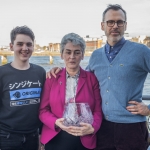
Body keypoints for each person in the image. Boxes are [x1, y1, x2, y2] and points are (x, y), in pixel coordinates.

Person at [48, 4, 150, 150]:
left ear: (125, 25)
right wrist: (59, 71)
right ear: (103, 26)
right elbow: (81, 77)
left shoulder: (141, 51)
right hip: (103, 129)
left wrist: (148, 109)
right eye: (110, 22)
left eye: (119, 22)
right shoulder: (96, 56)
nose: (115, 26)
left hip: (131, 128)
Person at [39, 33, 102, 150]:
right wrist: (56, 122)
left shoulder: (92, 78)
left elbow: (98, 110)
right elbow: (43, 110)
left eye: (77, 52)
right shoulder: (52, 78)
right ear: (62, 54)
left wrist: (92, 128)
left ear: (82, 55)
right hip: (56, 136)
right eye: (68, 52)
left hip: (84, 137)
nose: (72, 56)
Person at [0, 26, 46, 150]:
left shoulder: (40, 72)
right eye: (20, 44)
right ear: (11, 46)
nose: (25, 48)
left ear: (33, 46)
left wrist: (42, 134)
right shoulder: (2, 73)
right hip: (7, 138)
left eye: (29, 44)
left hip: (33, 136)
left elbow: (44, 106)